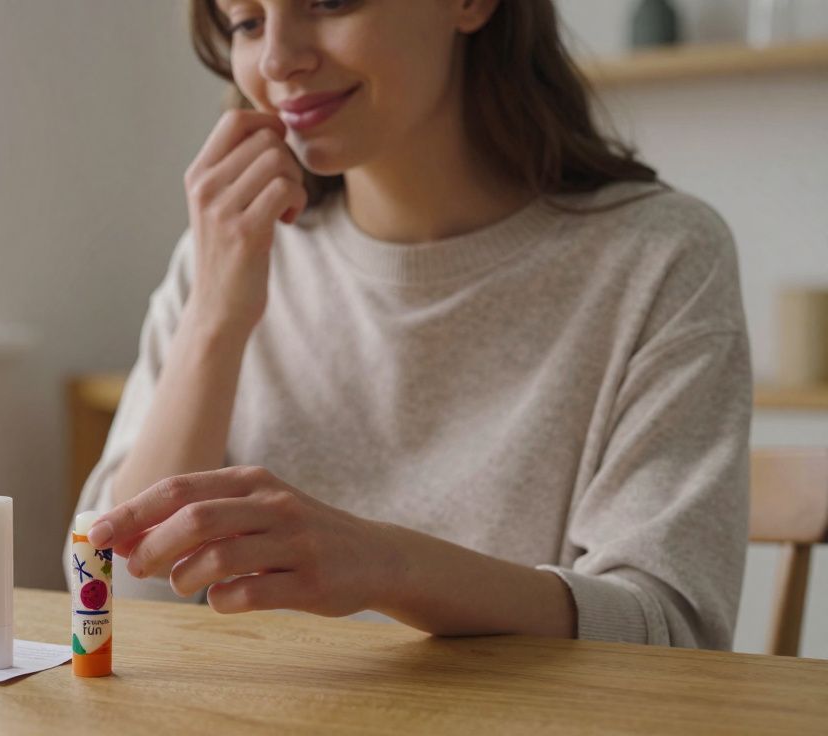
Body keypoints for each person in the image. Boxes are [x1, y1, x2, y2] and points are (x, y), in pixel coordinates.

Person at [70, 0, 750, 649]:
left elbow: (669, 631)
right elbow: (110, 603)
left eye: (330, 2)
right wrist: (214, 320)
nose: (277, 61)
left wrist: (388, 566)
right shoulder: (224, 252)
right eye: (246, 22)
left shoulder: (663, 256)